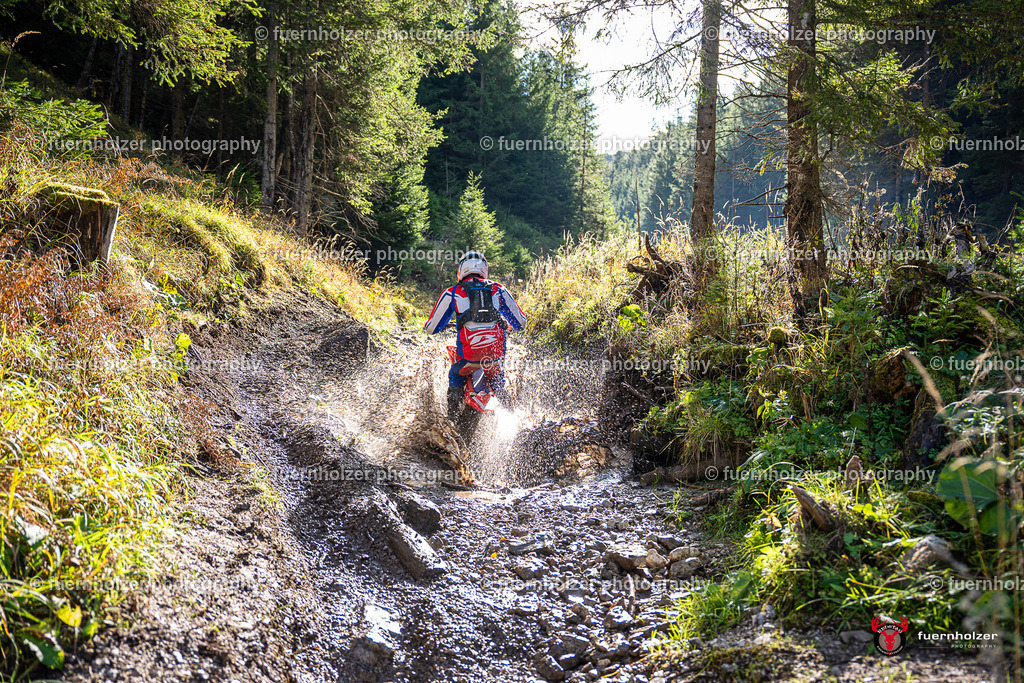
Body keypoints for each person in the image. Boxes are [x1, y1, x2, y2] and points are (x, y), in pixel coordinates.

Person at [424, 251, 526, 417]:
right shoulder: (499, 289)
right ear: (484, 270)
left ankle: (452, 422)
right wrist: (509, 325)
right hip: (493, 359)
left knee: (456, 375)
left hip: (468, 359)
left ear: (461, 270)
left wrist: (428, 324)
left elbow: (431, 328)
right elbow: (520, 323)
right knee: (498, 383)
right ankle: (513, 419)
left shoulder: (452, 292)